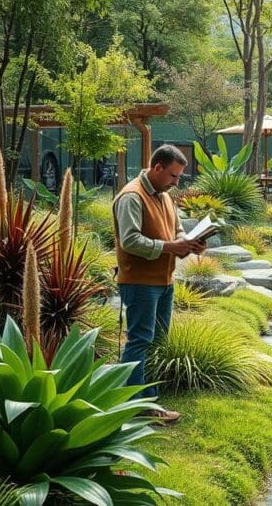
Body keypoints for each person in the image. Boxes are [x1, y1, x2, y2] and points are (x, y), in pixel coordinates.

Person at [112, 145, 206, 424]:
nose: (177, 183)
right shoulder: (131, 196)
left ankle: (150, 398)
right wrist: (170, 246)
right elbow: (130, 241)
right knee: (140, 340)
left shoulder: (165, 196)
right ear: (157, 168)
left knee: (157, 341)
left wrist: (188, 242)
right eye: (174, 176)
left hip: (164, 280)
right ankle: (135, 403)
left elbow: (176, 229)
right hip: (140, 281)